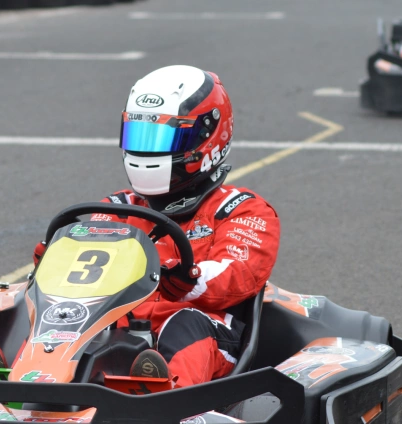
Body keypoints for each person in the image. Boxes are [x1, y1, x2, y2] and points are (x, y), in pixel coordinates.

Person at [33, 65, 281, 387]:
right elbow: (86, 268)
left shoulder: (240, 208)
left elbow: (239, 271)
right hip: (122, 326)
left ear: (208, 137)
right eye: (139, 136)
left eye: (162, 137)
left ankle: (167, 399)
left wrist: (189, 278)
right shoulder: (118, 207)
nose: (147, 150)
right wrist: (54, 262)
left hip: (205, 331)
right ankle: (22, 384)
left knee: (184, 323)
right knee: (59, 315)